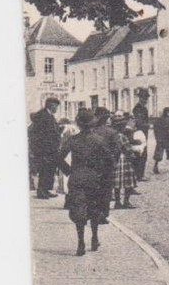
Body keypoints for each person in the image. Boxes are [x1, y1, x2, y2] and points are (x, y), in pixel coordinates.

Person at [59, 108, 109, 256]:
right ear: (92, 124)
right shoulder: (99, 140)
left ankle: (80, 242)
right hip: (94, 179)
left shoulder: (72, 140)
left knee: (78, 210)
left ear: (79, 124)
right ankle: (94, 237)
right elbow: (109, 160)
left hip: (76, 178)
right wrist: (101, 173)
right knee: (93, 208)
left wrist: (68, 171)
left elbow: (58, 157)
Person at [91, 107, 120, 224]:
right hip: (107, 166)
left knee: (94, 190)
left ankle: (94, 213)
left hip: (93, 165)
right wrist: (114, 162)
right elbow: (117, 149)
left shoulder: (92, 131)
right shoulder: (112, 132)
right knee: (106, 190)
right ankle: (103, 214)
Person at [29, 97, 62, 199]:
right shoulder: (43, 116)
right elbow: (39, 134)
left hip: (50, 149)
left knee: (50, 169)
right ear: (51, 105)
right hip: (45, 149)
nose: (56, 109)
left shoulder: (48, 115)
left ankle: (46, 189)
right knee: (45, 169)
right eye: (56, 106)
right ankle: (42, 191)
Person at [113, 115, 138, 209]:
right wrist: (133, 155)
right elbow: (127, 149)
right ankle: (126, 201)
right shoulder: (123, 137)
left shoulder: (113, 136)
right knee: (128, 182)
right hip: (124, 160)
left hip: (115, 160)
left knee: (117, 183)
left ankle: (117, 202)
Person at [132, 91, 150, 182]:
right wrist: (146, 125)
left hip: (143, 133)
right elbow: (139, 122)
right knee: (141, 153)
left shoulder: (143, 108)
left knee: (143, 153)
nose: (146, 100)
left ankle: (140, 174)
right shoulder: (138, 109)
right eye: (144, 98)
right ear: (140, 98)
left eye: (146, 98)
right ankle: (139, 175)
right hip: (139, 133)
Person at [152, 107, 169, 173]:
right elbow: (156, 129)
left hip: (168, 139)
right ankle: (155, 167)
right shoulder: (160, 120)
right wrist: (158, 138)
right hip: (161, 139)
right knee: (158, 155)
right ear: (165, 112)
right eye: (168, 112)